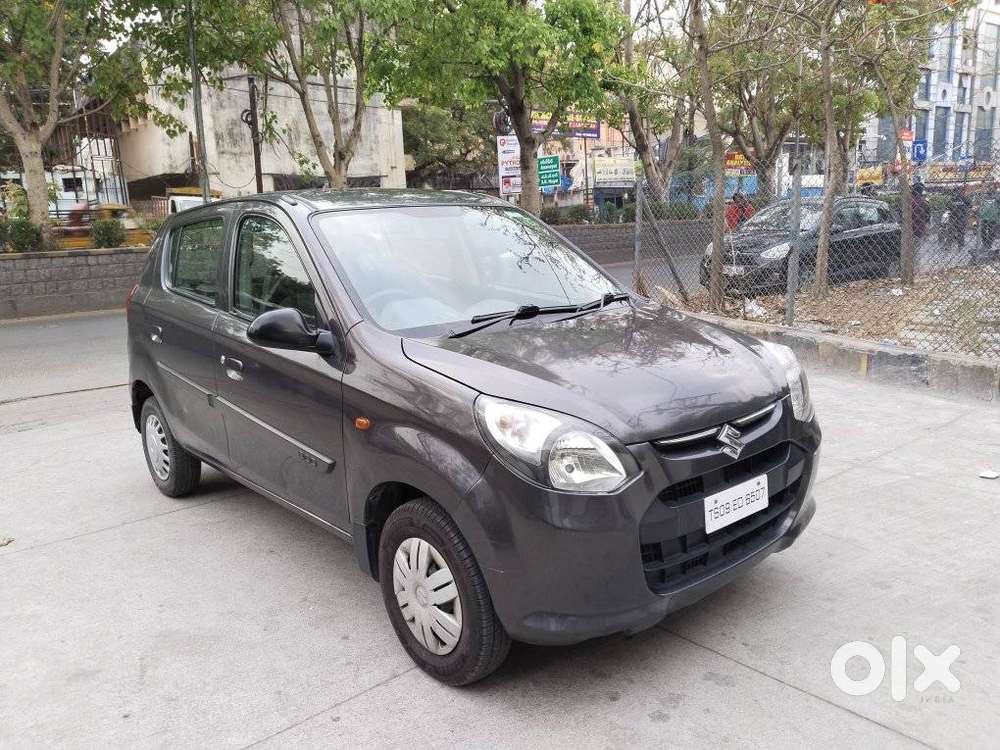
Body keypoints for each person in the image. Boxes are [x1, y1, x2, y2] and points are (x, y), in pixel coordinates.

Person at [978, 179, 1000, 260]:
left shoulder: (998, 195)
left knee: (991, 231)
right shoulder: (984, 196)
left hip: (994, 217)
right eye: (988, 186)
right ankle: (985, 245)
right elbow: (981, 205)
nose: (989, 188)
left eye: (991, 186)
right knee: (982, 231)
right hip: (984, 217)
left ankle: (989, 245)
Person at [911, 183, 930, 248]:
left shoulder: (908, 201)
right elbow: (928, 217)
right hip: (919, 229)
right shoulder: (924, 202)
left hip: (908, 229)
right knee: (918, 248)